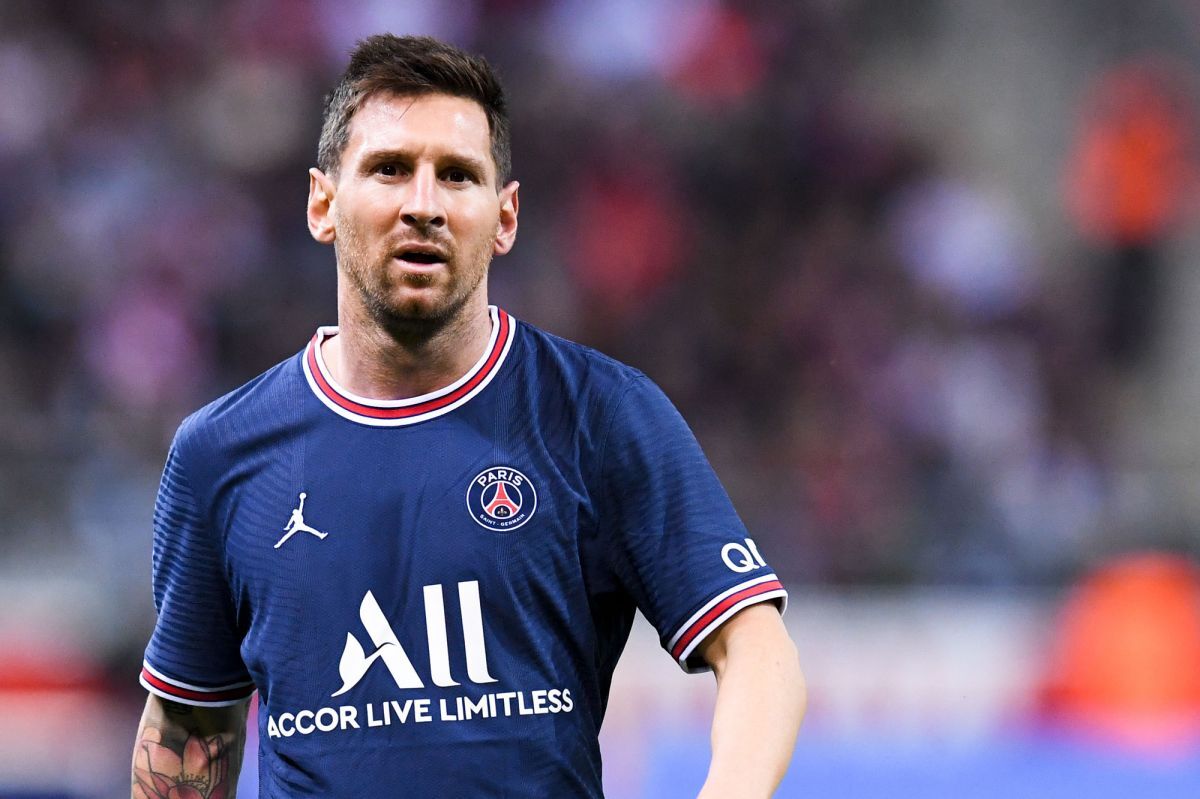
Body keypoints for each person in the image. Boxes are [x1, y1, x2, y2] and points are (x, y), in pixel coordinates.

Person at [131, 34, 804, 799]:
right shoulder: (221, 454)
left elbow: (758, 652)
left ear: (505, 216)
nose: (424, 205)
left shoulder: (598, 413)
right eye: (390, 169)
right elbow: (187, 731)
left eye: (457, 175)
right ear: (323, 203)